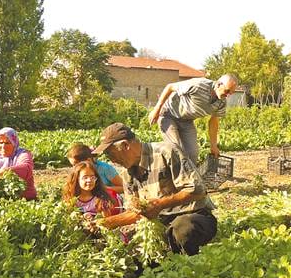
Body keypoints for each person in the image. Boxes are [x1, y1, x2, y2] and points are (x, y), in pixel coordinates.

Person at [92, 122, 217, 255]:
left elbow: (197, 191)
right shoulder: (127, 174)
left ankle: (187, 261)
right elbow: (134, 212)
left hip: (195, 215)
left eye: (111, 155)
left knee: (182, 228)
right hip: (161, 223)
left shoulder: (166, 152)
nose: (113, 161)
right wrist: (104, 223)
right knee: (137, 254)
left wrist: (160, 204)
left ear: (125, 145)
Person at [148, 74, 238, 164]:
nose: (228, 95)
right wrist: (157, 109)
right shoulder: (199, 85)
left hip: (187, 121)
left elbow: (213, 121)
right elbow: (170, 87)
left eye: (231, 93)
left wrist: (213, 145)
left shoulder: (221, 102)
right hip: (168, 115)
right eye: (227, 91)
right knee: (174, 149)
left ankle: (186, 176)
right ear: (219, 84)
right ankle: (160, 164)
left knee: (192, 153)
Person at [62, 161, 123, 233]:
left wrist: (94, 222)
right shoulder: (72, 198)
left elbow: (106, 222)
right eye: (85, 177)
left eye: (92, 177)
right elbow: (68, 219)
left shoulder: (102, 198)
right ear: (76, 179)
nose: (89, 180)